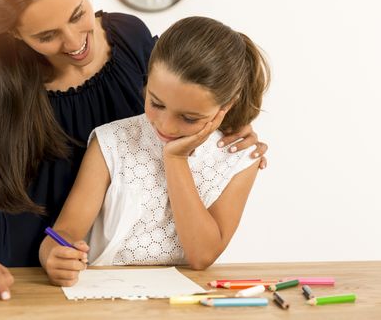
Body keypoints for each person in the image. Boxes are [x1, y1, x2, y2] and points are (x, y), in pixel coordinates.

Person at [0, 0, 268, 303]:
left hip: (113, 283)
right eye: (47, 35)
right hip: (22, 283)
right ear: (14, 33)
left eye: (77, 14)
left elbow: (184, 95)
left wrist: (230, 124)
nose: (73, 42)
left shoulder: (131, 39)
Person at [43, 16, 270, 287]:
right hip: (105, 299)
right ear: (148, 80)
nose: (165, 125)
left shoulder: (239, 159)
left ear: (227, 106)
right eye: (157, 103)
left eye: (188, 118)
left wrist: (175, 159)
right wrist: (53, 255)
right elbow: (64, 232)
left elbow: (202, 256)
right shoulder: (111, 142)